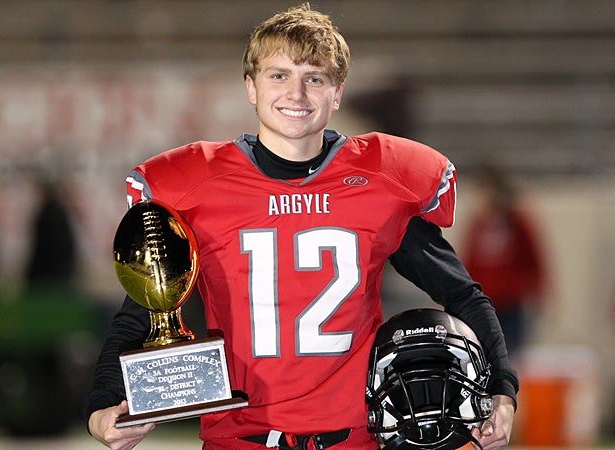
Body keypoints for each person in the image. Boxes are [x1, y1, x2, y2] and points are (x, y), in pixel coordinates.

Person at [84, 4, 518, 450]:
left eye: (315, 78)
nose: (297, 93)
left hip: (352, 439)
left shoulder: (380, 182)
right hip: (240, 439)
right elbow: (141, 313)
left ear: (337, 93)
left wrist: (503, 390)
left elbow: (462, 294)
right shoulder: (198, 189)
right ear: (250, 87)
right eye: (279, 76)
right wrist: (103, 404)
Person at [462, 166, 545, 358]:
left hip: (511, 305)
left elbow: (534, 261)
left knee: (512, 357)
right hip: (483, 304)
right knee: (483, 356)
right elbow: (466, 265)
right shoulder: (478, 225)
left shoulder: (518, 224)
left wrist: (538, 293)